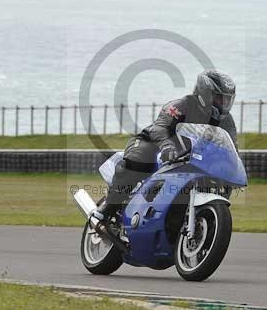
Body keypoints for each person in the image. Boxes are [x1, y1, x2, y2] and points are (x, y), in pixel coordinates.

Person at [91, 69, 237, 226]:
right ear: (205, 93)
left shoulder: (227, 121)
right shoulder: (182, 105)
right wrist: (167, 146)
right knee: (139, 159)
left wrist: (233, 168)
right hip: (154, 144)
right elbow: (160, 127)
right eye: (219, 98)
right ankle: (108, 208)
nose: (224, 104)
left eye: (227, 100)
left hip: (190, 159)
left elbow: (231, 148)